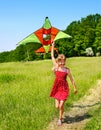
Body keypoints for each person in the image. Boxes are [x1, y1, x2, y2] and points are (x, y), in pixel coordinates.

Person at [50, 41, 77, 126]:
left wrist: (75, 88)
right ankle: (61, 111)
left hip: (64, 88)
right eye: (60, 61)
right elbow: (52, 56)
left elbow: (72, 79)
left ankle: (60, 119)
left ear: (65, 61)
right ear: (58, 62)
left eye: (63, 61)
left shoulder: (67, 70)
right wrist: (53, 46)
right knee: (57, 106)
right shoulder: (56, 67)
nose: (62, 63)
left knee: (61, 106)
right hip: (57, 88)